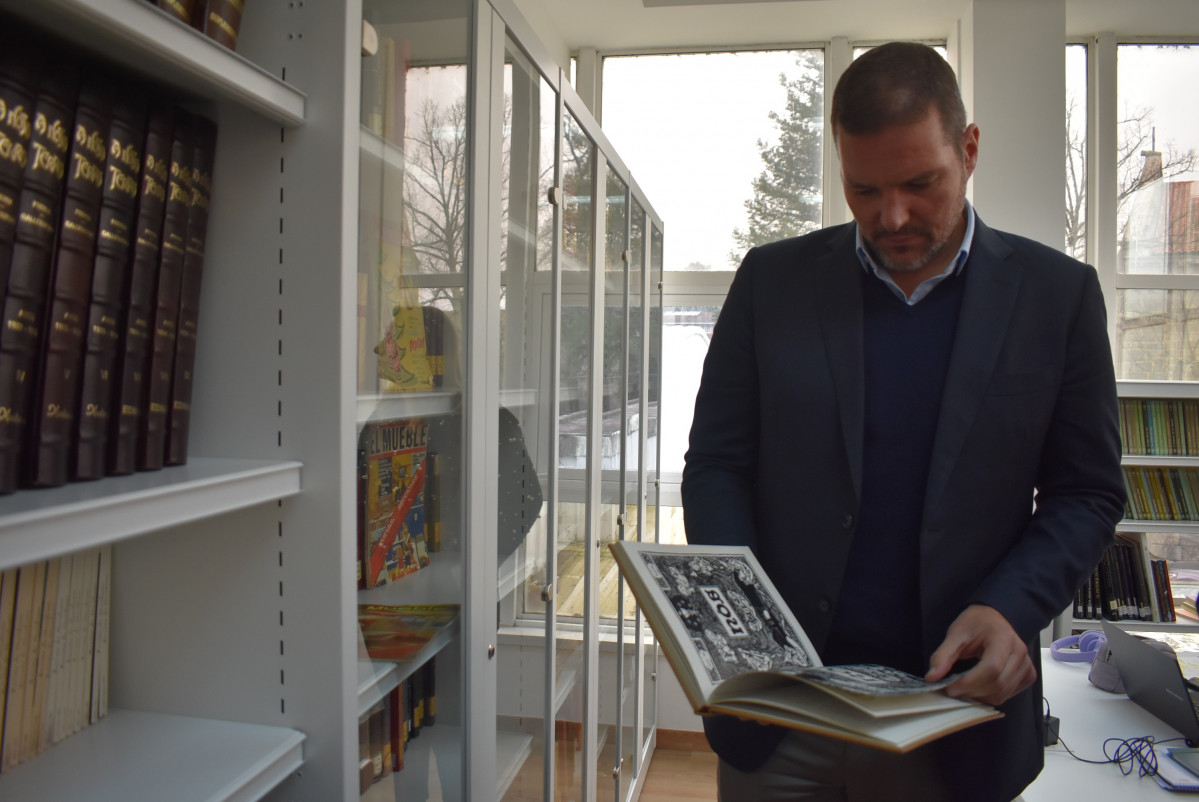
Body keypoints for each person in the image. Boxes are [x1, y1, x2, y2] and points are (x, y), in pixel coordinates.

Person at [681, 41, 1126, 801]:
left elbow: (1085, 492)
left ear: (970, 149)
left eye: (921, 184)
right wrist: (738, 617)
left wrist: (1010, 610)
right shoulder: (771, 281)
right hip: (781, 720)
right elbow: (718, 464)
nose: (892, 217)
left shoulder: (1057, 297)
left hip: (956, 720)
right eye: (863, 189)